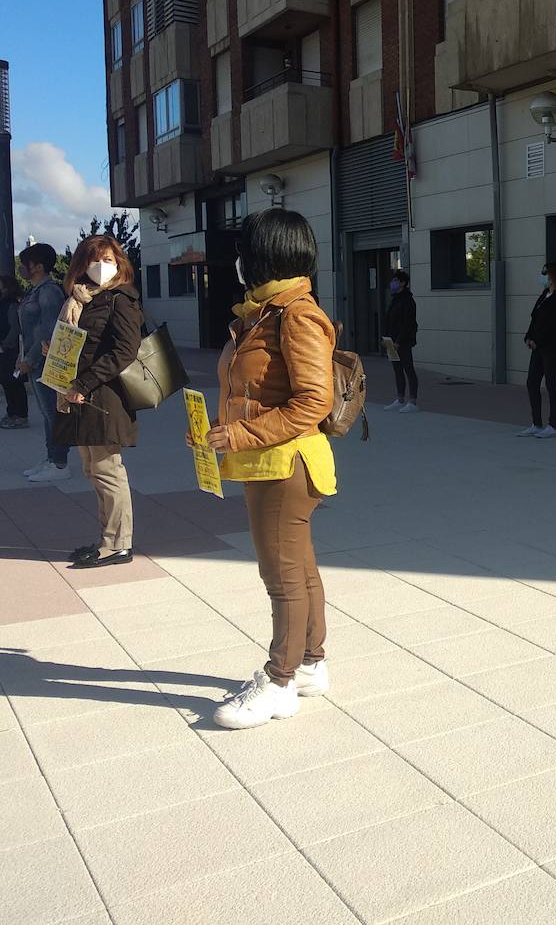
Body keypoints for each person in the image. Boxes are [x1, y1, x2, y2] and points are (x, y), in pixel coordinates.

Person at [207, 209, 337, 730]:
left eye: (243, 253)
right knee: (299, 569)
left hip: (286, 464)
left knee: (281, 576)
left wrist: (238, 434)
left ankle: (279, 682)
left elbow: (314, 401)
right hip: (266, 461)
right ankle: (310, 664)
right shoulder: (262, 313)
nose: (237, 263)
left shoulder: (295, 314)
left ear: (262, 257)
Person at [56, 235, 143, 570]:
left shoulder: (121, 298)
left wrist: (84, 382)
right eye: (96, 259)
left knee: (108, 470)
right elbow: (83, 342)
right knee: (93, 469)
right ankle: (107, 539)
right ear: (82, 264)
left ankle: (119, 545)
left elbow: (125, 350)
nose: (103, 266)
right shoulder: (81, 299)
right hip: (81, 395)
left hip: (105, 396)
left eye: (109, 259)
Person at [18, 245, 70, 481]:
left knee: (53, 412)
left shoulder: (48, 292)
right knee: (48, 412)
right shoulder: (36, 291)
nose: (22, 268)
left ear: (38, 266)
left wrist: (30, 358)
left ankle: (59, 463)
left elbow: (49, 330)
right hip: (36, 359)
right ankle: (51, 457)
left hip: (46, 360)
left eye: (25, 263)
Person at [519, 261, 556, 438]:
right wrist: (528, 336)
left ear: (553, 276)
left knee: (551, 384)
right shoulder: (544, 295)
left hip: (552, 347)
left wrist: (538, 341)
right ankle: (536, 423)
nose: (542, 277)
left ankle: (553, 425)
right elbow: (535, 318)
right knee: (532, 382)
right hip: (537, 346)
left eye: (544, 273)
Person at [0, 275, 28, 430]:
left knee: (14, 382)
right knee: (5, 381)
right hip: (2, 347)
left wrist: (6, 344)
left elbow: (15, 328)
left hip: (11, 349)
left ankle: (20, 415)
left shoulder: (12, 305)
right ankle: (12, 412)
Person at [383, 269, 419, 413]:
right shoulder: (395, 299)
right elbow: (389, 321)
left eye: (396, 281)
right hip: (391, 341)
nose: (393, 283)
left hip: (403, 342)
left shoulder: (408, 301)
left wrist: (399, 340)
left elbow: (408, 324)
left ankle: (413, 401)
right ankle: (400, 399)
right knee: (397, 370)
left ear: (403, 283)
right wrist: (385, 338)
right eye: (393, 281)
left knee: (408, 369)